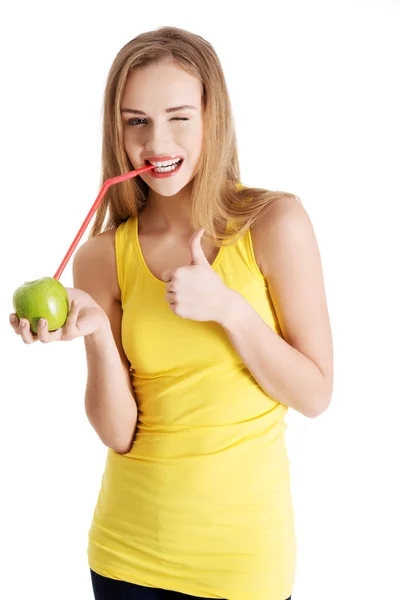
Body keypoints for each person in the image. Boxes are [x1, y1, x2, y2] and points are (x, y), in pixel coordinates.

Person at [9, 26, 333, 600]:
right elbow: (119, 432)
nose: (156, 142)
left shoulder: (275, 224)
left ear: (213, 117)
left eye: (178, 116)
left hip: (243, 564)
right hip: (125, 556)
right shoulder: (102, 256)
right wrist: (98, 337)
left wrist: (228, 309)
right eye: (137, 121)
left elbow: (314, 395)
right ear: (118, 131)